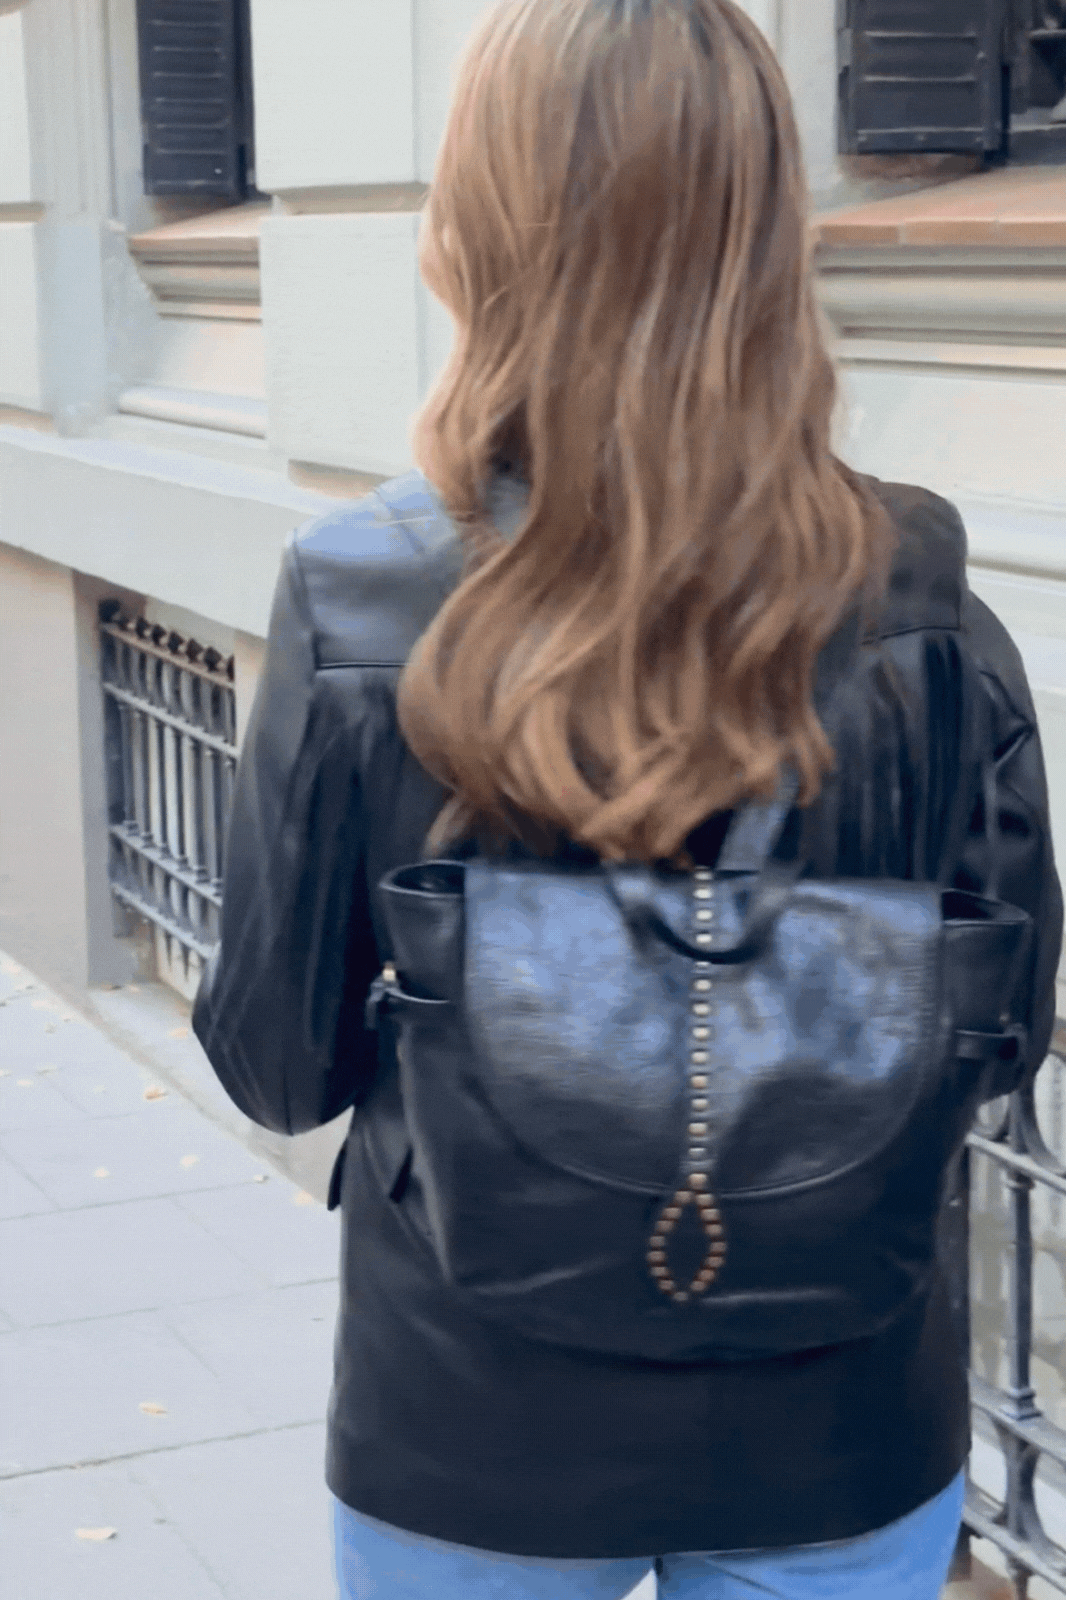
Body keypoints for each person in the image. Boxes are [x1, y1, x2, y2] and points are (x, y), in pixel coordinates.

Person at [192, 2, 1063, 1595]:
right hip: (842, 1415)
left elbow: (274, 1061)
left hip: (469, 1423)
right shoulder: (922, 593)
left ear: (480, 224)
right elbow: (1000, 1035)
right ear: (762, 225)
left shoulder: (365, 596)